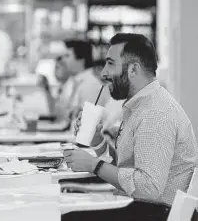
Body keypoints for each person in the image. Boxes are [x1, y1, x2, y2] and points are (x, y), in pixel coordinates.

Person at [63, 33, 198, 221]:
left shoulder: (155, 112)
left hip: (154, 213)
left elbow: (148, 188)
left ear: (133, 69)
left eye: (110, 63)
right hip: (140, 208)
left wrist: (94, 165)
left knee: (63, 216)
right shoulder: (140, 105)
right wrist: (97, 141)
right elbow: (125, 168)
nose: (103, 73)